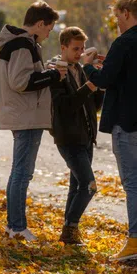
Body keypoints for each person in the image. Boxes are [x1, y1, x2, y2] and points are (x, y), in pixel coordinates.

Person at [80, 0, 137, 261]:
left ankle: (135, 239)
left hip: (128, 122)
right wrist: (110, 62)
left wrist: (87, 66)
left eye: (117, 15)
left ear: (127, 13)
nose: (116, 20)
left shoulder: (124, 42)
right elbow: (136, 75)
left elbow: (104, 81)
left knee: (133, 184)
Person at [0, 0, 65, 241]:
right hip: (26, 116)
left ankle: (13, 225)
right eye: (49, 28)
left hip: (25, 114)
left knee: (19, 172)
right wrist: (53, 75)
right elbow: (21, 81)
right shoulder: (23, 45)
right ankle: (17, 227)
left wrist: (49, 73)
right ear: (39, 24)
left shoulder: (23, 44)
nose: (49, 33)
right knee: (22, 173)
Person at [49, 27, 104, 245]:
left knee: (77, 186)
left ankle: (69, 232)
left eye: (82, 48)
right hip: (68, 138)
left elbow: (94, 106)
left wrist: (98, 84)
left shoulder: (81, 70)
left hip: (86, 137)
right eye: (75, 48)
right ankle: (70, 227)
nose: (79, 53)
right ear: (63, 47)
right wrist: (89, 86)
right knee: (89, 185)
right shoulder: (57, 71)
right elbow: (65, 106)